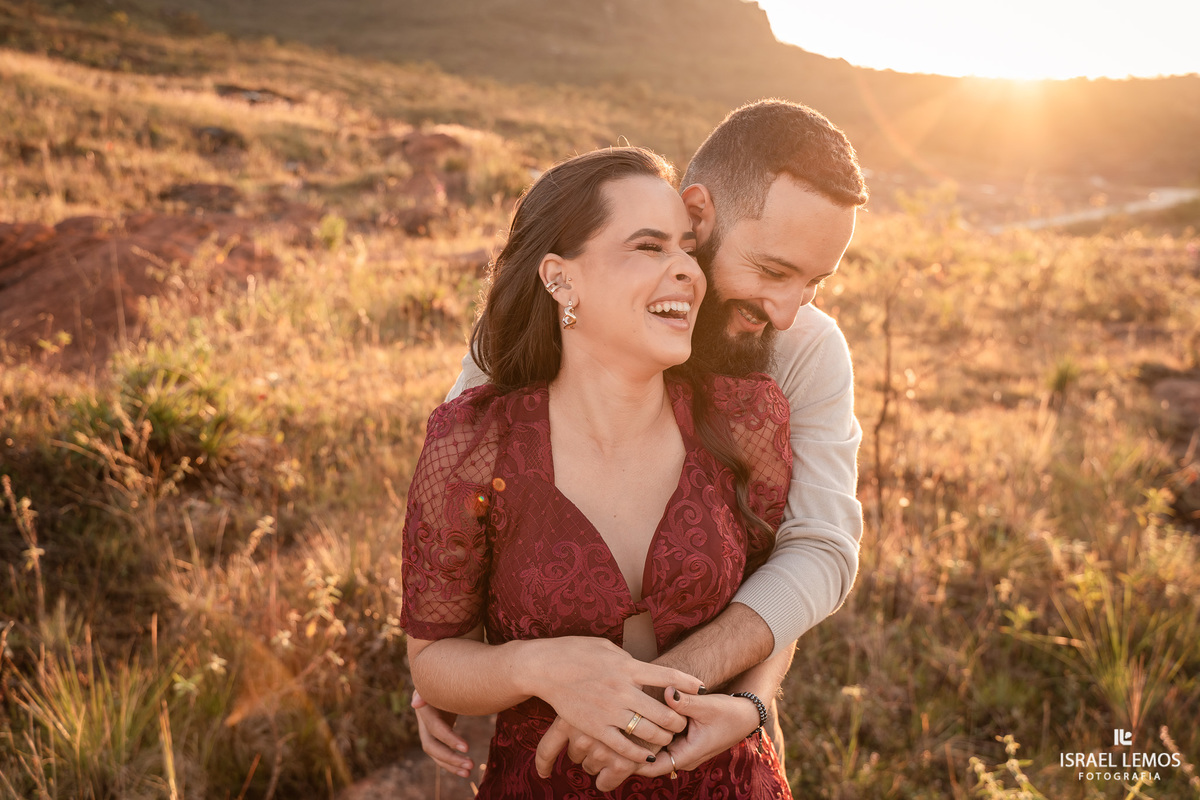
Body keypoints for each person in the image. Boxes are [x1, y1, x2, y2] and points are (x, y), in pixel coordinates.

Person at [415, 98, 871, 791]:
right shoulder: (554, 331)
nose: (787, 311)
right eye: (774, 271)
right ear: (699, 213)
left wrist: (710, 696)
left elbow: (815, 547)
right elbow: (462, 499)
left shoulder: (800, 352)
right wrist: (453, 667)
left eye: (815, 283)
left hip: (719, 721)